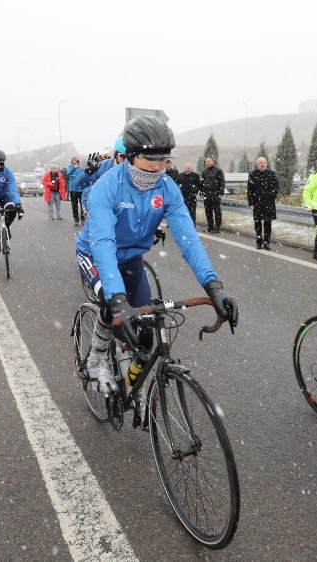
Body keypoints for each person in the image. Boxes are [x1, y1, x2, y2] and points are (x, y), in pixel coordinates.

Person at [75, 115, 239, 427]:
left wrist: (213, 286)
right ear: (130, 156)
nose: (159, 167)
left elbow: (189, 241)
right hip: (95, 255)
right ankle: (97, 357)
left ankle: (133, 383)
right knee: (113, 306)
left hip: (132, 259)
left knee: (147, 332)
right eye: (151, 160)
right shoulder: (106, 188)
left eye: (164, 159)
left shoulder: (168, 189)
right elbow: (104, 242)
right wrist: (118, 298)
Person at [246, 156, 279, 249]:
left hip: (269, 203)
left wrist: (271, 196)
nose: (262, 164)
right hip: (257, 204)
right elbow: (249, 190)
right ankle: (259, 242)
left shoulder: (272, 174)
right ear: (257, 164)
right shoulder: (252, 175)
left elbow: (276, 188)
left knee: (268, 224)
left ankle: (267, 242)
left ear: (266, 163)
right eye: (260, 163)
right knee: (258, 224)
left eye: (264, 162)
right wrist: (251, 202)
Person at [200, 157, 226, 233]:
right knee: (208, 211)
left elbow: (222, 182)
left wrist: (221, 193)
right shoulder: (204, 171)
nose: (208, 162)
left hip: (216, 194)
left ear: (213, 161)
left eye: (210, 161)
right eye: (207, 161)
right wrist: (202, 192)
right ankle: (210, 226)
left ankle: (217, 227)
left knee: (217, 211)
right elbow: (202, 182)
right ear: (205, 163)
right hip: (207, 195)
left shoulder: (218, 170)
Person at [64, 156, 85, 225]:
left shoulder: (81, 169)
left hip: (81, 189)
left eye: (77, 161)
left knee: (83, 205)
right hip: (73, 189)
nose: (76, 162)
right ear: (72, 162)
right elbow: (67, 174)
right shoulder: (69, 168)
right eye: (74, 161)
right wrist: (74, 167)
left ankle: (83, 219)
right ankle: (76, 219)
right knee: (74, 205)